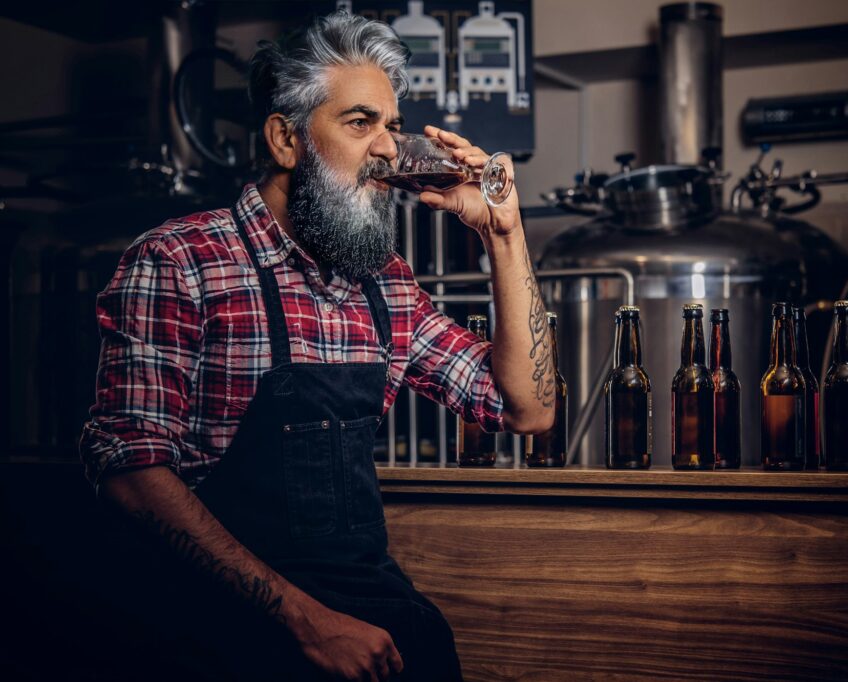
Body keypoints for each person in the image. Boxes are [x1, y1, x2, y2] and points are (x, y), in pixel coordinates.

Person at [79, 10, 555, 682]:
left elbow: (527, 410)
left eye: (392, 125)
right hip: (217, 636)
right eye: (361, 123)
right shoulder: (180, 260)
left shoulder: (383, 283)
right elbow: (131, 472)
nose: (390, 148)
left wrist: (504, 233)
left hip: (368, 621)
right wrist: (308, 623)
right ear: (286, 139)